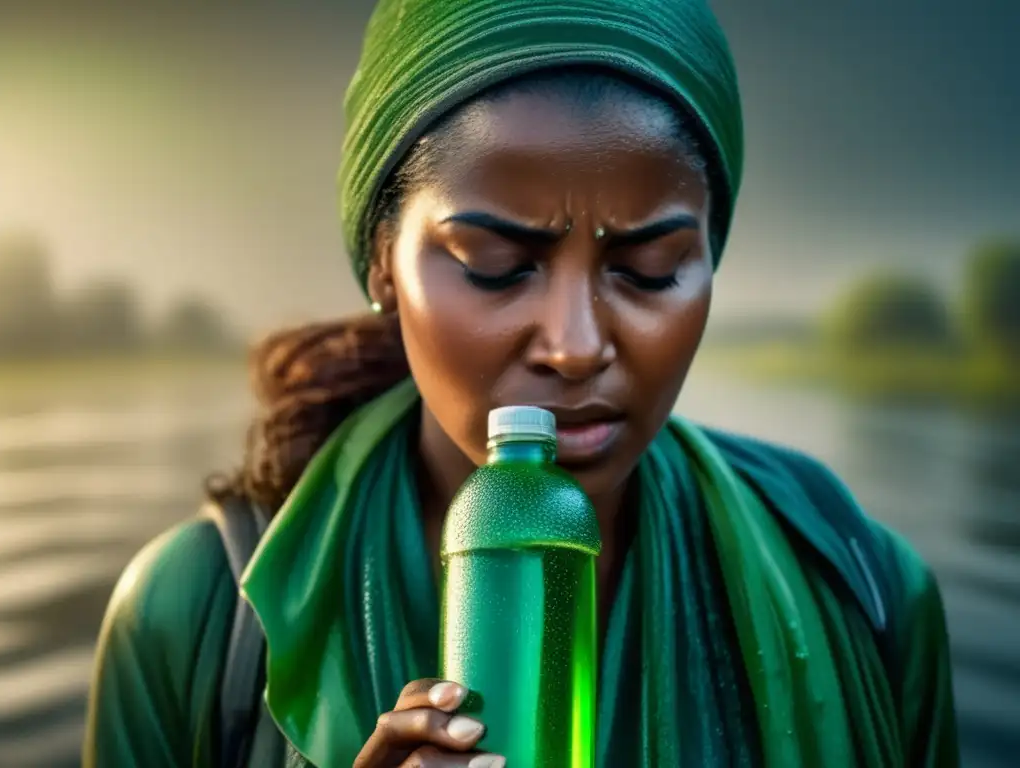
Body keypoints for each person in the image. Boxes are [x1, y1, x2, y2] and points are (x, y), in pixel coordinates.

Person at [82, 1, 960, 766]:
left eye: (650, 270)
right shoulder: (190, 622)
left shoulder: (866, 592)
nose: (575, 348)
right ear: (385, 263)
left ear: (709, 261)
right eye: (496, 265)